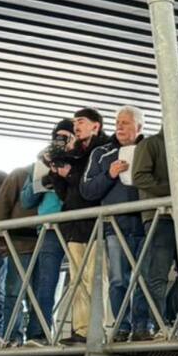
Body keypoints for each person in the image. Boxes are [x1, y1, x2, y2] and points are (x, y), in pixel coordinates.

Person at [130, 102, 178, 340]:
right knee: (156, 274)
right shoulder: (150, 144)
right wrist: (176, 191)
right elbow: (140, 177)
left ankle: (174, 322)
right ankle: (154, 325)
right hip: (159, 217)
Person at [82, 106, 148, 340]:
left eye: (126, 123)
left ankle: (142, 327)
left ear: (139, 127)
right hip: (115, 226)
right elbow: (87, 190)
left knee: (144, 278)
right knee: (119, 279)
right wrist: (109, 174)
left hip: (147, 223)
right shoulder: (101, 153)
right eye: (118, 122)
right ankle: (121, 326)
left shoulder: (149, 149)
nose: (119, 126)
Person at [45, 107, 110, 343]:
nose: (76, 127)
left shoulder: (103, 151)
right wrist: (56, 173)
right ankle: (81, 330)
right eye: (74, 123)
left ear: (96, 125)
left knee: (95, 278)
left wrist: (70, 172)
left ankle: (95, 330)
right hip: (74, 224)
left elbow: (89, 190)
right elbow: (66, 195)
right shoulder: (75, 153)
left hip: (95, 224)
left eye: (80, 122)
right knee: (78, 280)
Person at [0, 162, 42, 344]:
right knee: (14, 291)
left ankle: (35, 335)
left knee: (39, 293)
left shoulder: (58, 178)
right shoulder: (19, 175)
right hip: (20, 243)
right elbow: (2, 205)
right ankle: (12, 335)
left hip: (44, 244)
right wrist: (1, 239)